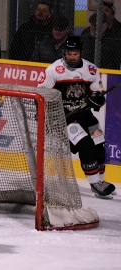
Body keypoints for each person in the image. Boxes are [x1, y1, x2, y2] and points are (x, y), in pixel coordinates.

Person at [37, 36, 116, 198]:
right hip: (64, 118)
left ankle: (100, 181)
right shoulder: (53, 70)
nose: (72, 57)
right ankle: (95, 183)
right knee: (85, 144)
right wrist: (44, 114)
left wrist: (97, 99)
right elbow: (42, 95)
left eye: (75, 53)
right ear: (64, 52)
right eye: (69, 53)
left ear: (80, 53)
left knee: (99, 143)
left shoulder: (91, 69)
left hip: (85, 115)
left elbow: (97, 93)